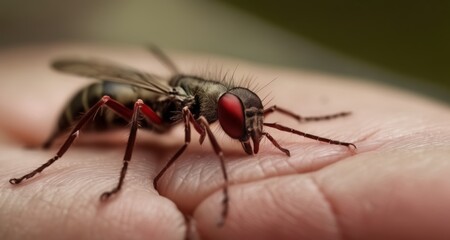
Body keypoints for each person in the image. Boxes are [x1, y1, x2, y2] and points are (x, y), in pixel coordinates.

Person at [1, 45, 450, 240]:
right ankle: (54, 155)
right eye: (244, 118)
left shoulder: (218, 107)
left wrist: (313, 128)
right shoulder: (187, 107)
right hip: (119, 101)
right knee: (118, 104)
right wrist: (124, 177)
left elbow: (253, 114)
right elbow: (183, 126)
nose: (251, 127)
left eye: (248, 117)